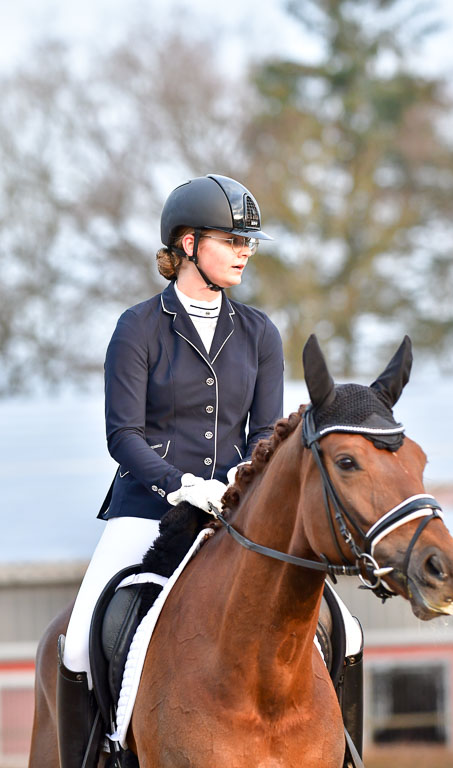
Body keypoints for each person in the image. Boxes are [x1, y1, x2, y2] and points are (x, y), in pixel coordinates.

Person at [56, 174, 284, 768]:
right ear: (187, 244)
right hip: (147, 510)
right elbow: (122, 435)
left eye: (249, 242)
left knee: (348, 633)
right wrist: (179, 484)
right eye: (231, 239)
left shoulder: (260, 333)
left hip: (232, 516)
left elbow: (265, 434)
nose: (244, 252)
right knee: (80, 641)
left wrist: (237, 487)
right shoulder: (139, 327)